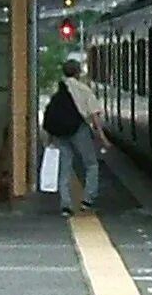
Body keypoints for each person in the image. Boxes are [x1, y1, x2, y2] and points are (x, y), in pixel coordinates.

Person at [42, 56, 107, 215]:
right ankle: (87, 200)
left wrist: (50, 137)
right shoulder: (84, 90)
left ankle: (65, 205)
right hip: (79, 131)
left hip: (60, 134)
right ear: (78, 73)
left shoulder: (59, 89)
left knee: (65, 167)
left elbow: (51, 114)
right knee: (91, 164)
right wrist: (102, 137)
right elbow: (94, 116)